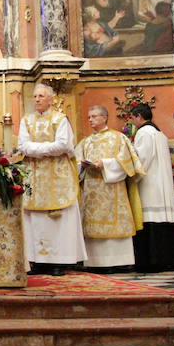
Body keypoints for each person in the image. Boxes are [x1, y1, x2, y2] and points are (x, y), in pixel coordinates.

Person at [17, 84, 87, 275]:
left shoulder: (60, 119)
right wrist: (47, 149)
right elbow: (22, 146)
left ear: (50, 99)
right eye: (35, 96)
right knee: (35, 220)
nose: (37, 99)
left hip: (57, 176)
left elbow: (63, 145)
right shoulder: (27, 120)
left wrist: (37, 150)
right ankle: (37, 261)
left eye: (41, 96)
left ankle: (58, 261)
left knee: (57, 219)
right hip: (34, 177)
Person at [75, 105, 144, 269]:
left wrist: (105, 164)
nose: (90, 120)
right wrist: (82, 166)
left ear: (105, 117)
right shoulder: (85, 142)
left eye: (94, 116)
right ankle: (95, 262)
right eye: (89, 117)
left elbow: (127, 162)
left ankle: (119, 262)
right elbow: (75, 165)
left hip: (112, 189)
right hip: (91, 190)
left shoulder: (118, 138)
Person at [130, 103, 174, 271]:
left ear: (139, 117)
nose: (133, 122)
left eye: (133, 119)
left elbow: (141, 160)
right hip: (162, 183)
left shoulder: (144, 133)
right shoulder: (160, 134)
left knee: (150, 218)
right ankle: (169, 260)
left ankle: (151, 262)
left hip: (150, 184)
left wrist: (130, 176)